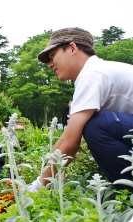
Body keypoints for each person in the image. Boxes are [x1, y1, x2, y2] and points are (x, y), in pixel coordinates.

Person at [28, 27, 133, 192]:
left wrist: (36, 186)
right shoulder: (95, 71)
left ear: (72, 48)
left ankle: (128, 195)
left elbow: (70, 141)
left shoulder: (92, 74)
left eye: (52, 56)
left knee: (96, 126)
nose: (50, 65)